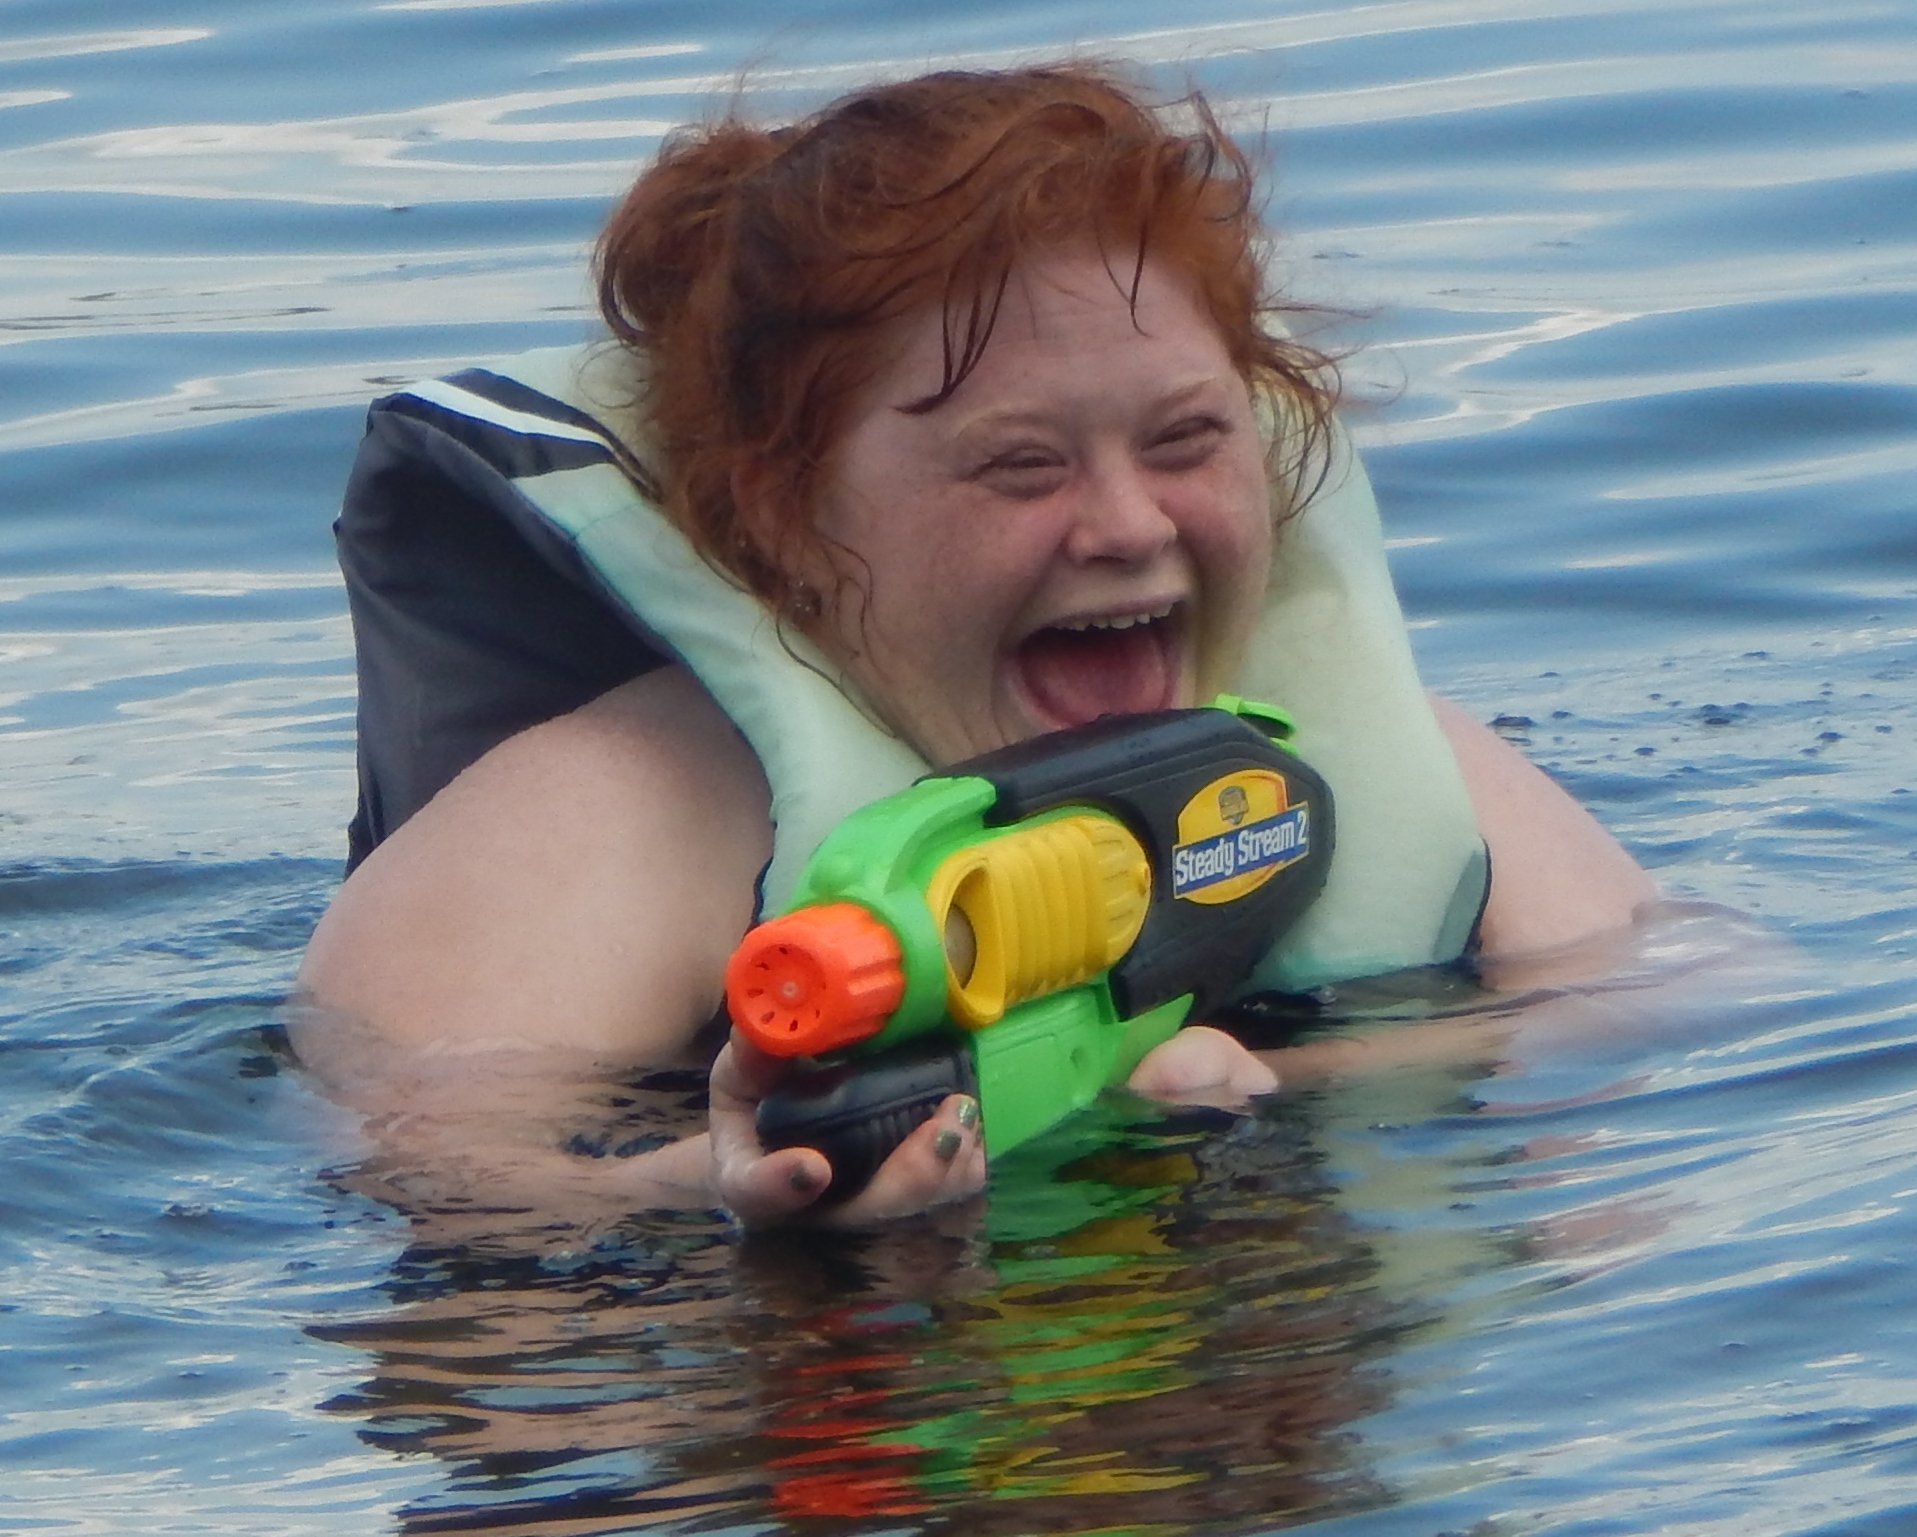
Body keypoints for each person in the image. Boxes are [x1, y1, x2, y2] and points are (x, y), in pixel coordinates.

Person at [295, 63, 1653, 1232]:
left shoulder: (1412, 776)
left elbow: (1696, 1008)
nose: (1126, 525)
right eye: (1017, 469)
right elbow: (425, 1203)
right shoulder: (588, 829)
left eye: (1186, 440)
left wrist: (1239, 1091)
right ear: (780, 513)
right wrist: (702, 1193)